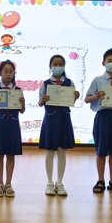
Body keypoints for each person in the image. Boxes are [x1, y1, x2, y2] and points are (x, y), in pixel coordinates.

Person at [85, 48, 112, 195]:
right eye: (109, 61)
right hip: (102, 117)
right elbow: (87, 99)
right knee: (101, 150)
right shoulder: (97, 80)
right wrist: (96, 97)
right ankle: (100, 180)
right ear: (103, 63)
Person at [38, 54, 79, 196]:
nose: (58, 67)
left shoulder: (69, 83)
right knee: (50, 151)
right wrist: (43, 100)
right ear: (50, 66)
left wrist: (75, 96)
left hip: (64, 119)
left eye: (60, 64)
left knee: (62, 151)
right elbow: (40, 102)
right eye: (55, 64)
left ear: (64, 66)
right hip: (50, 120)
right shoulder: (45, 83)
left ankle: (59, 183)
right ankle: (49, 183)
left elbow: (72, 101)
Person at [0, 60, 25, 197]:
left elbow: (22, 111)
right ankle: (0, 183)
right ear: (0, 73)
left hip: (13, 125)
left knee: (11, 154)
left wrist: (23, 103)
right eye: (5, 72)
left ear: (14, 73)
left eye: (11, 72)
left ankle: (9, 183)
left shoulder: (18, 91)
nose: (8, 74)